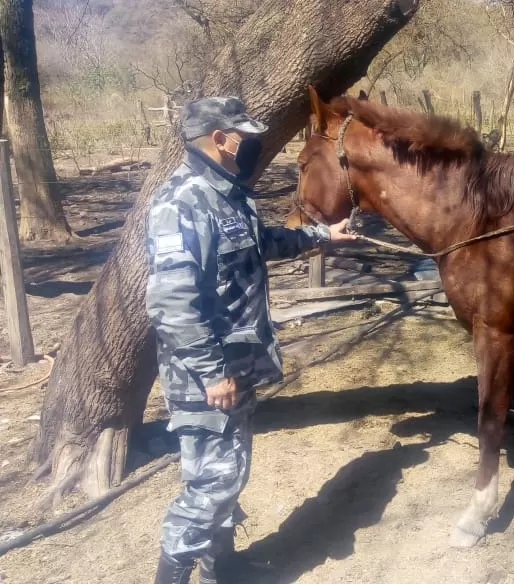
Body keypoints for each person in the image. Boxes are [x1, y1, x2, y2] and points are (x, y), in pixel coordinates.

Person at [145, 96, 355, 584]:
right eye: (243, 133)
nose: (251, 142)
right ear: (219, 138)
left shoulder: (227, 195)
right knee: (210, 485)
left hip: (236, 365)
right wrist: (210, 370)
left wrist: (324, 235)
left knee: (229, 471)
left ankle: (224, 566)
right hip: (206, 375)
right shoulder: (184, 202)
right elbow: (171, 303)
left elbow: (265, 242)